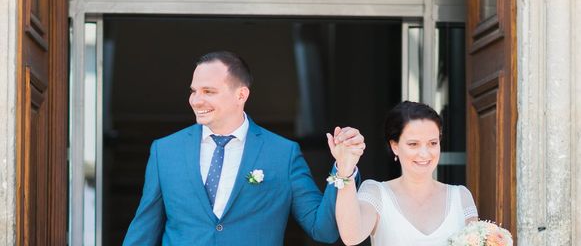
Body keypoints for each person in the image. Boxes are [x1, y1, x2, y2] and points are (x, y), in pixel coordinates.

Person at [123, 51, 365, 245]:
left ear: (241, 95)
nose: (196, 100)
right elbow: (144, 229)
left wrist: (343, 170)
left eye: (209, 91)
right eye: (194, 91)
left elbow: (322, 229)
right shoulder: (165, 151)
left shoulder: (283, 153)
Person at [326, 101, 477, 246]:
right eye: (413, 144)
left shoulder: (461, 197)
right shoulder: (376, 193)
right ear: (395, 146)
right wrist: (345, 168)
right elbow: (351, 237)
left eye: (433, 143)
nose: (424, 154)